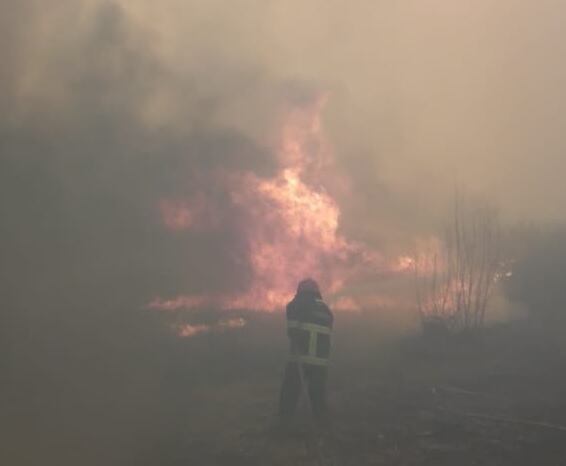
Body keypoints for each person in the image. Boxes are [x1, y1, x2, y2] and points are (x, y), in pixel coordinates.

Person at [278, 278, 334, 427]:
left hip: (300, 357)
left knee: (290, 389)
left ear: (300, 291)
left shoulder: (296, 305)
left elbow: (292, 331)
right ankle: (321, 421)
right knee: (317, 392)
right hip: (320, 360)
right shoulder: (326, 309)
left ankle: (284, 421)